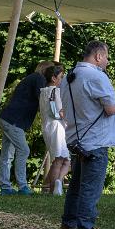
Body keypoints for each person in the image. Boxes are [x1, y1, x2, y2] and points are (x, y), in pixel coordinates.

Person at [59, 41, 115, 229]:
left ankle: (68, 224)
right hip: (95, 140)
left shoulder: (68, 78)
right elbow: (110, 109)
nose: (107, 61)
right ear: (98, 56)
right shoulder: (97, 76)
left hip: (75, 139)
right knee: (90, 189)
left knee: (76, 185)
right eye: (106, 57)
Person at [0, 65, 45, 195]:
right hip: (13, 121)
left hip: (8, 118)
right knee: (24, 150)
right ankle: (22, 186)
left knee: (7, 154)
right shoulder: (38, 78)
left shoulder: (32, 78)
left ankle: (5, 187)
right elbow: (42, 100)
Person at [39, 65, 69, 195]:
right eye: (61, 77)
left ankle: (54, 184)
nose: (62, 80)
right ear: (53, 78)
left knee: (62, 159)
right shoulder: (56, 92)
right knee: (61, 160)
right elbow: (61, 112)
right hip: (58, 127)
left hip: (47, 126)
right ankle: (54, 187)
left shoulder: (43, 92)